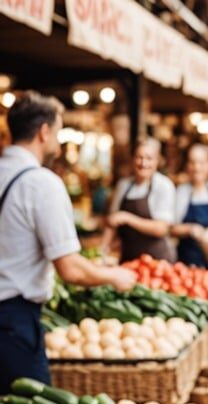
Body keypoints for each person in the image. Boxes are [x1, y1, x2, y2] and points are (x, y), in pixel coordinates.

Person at [0, 91, 137, 392]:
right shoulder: (41, 183)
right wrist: (113, 275)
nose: (59, 142)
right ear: (44, 131)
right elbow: (71, 270)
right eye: (58, 133)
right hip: (13, 323)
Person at [101, 138, 176, 263]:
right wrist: (101, 251)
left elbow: (161, 228)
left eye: (149, 158)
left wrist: (127, 218)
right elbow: (113, 222)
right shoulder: (123, 185)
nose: (143, 163)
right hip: (128, 259)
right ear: (132, 159)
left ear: (157, 161)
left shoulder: (164, 185)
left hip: (157, 262)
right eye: (139, 157)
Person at [172, 144, 208, 267]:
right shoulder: (181, 191)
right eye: (192, 162)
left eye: (201, 163)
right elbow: (171, 229)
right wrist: (190, 229)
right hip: (185, 261)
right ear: (187, 165)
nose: (196, 167)